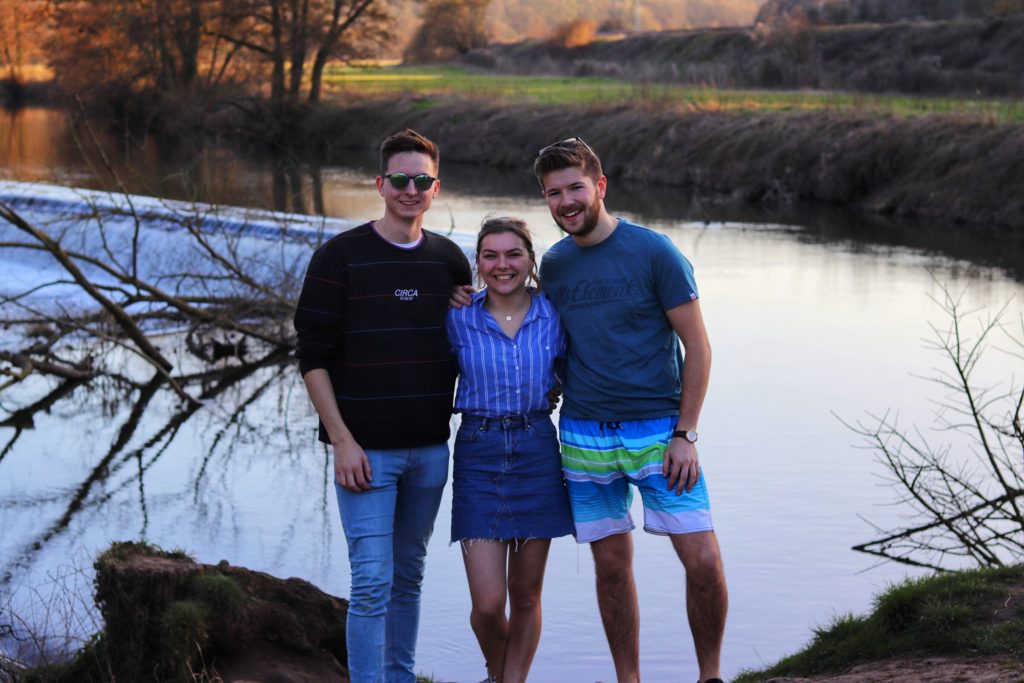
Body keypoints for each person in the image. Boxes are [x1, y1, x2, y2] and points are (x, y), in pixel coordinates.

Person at [535, 137, 728, 683]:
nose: (566, 202)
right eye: (553, 193)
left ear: (599, 186)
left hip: (660, 432)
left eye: (575, 187)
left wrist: (686, 432)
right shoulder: (554, 265)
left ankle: (710, 676)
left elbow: (699, 346)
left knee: (705, 563)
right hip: (583, 434)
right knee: (612, 569)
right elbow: (549, 337)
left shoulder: (654, 252)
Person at [294, 129, 472, 683]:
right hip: (365, 454)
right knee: (371, 579)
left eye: (421, 180)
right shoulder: (339, 257)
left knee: (408, 575)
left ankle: (400, 677)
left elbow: (469, 339)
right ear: (380, 184)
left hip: (429, 453)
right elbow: (312, 359)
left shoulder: (449, 262)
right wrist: (342, 441)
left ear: (436, 188)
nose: (410, 189)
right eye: (399, 179)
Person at [446, 217, 575, 683]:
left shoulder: (555, 313)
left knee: (525, 596)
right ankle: (500, 674)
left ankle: (510, 681)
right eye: (490, 255)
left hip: (537, 449)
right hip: (478, 453)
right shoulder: (458, 315)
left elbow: (571, 369)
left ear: (530, 260)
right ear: (477, 264)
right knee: (486, 606)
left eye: (513, 254)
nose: (503, 265)